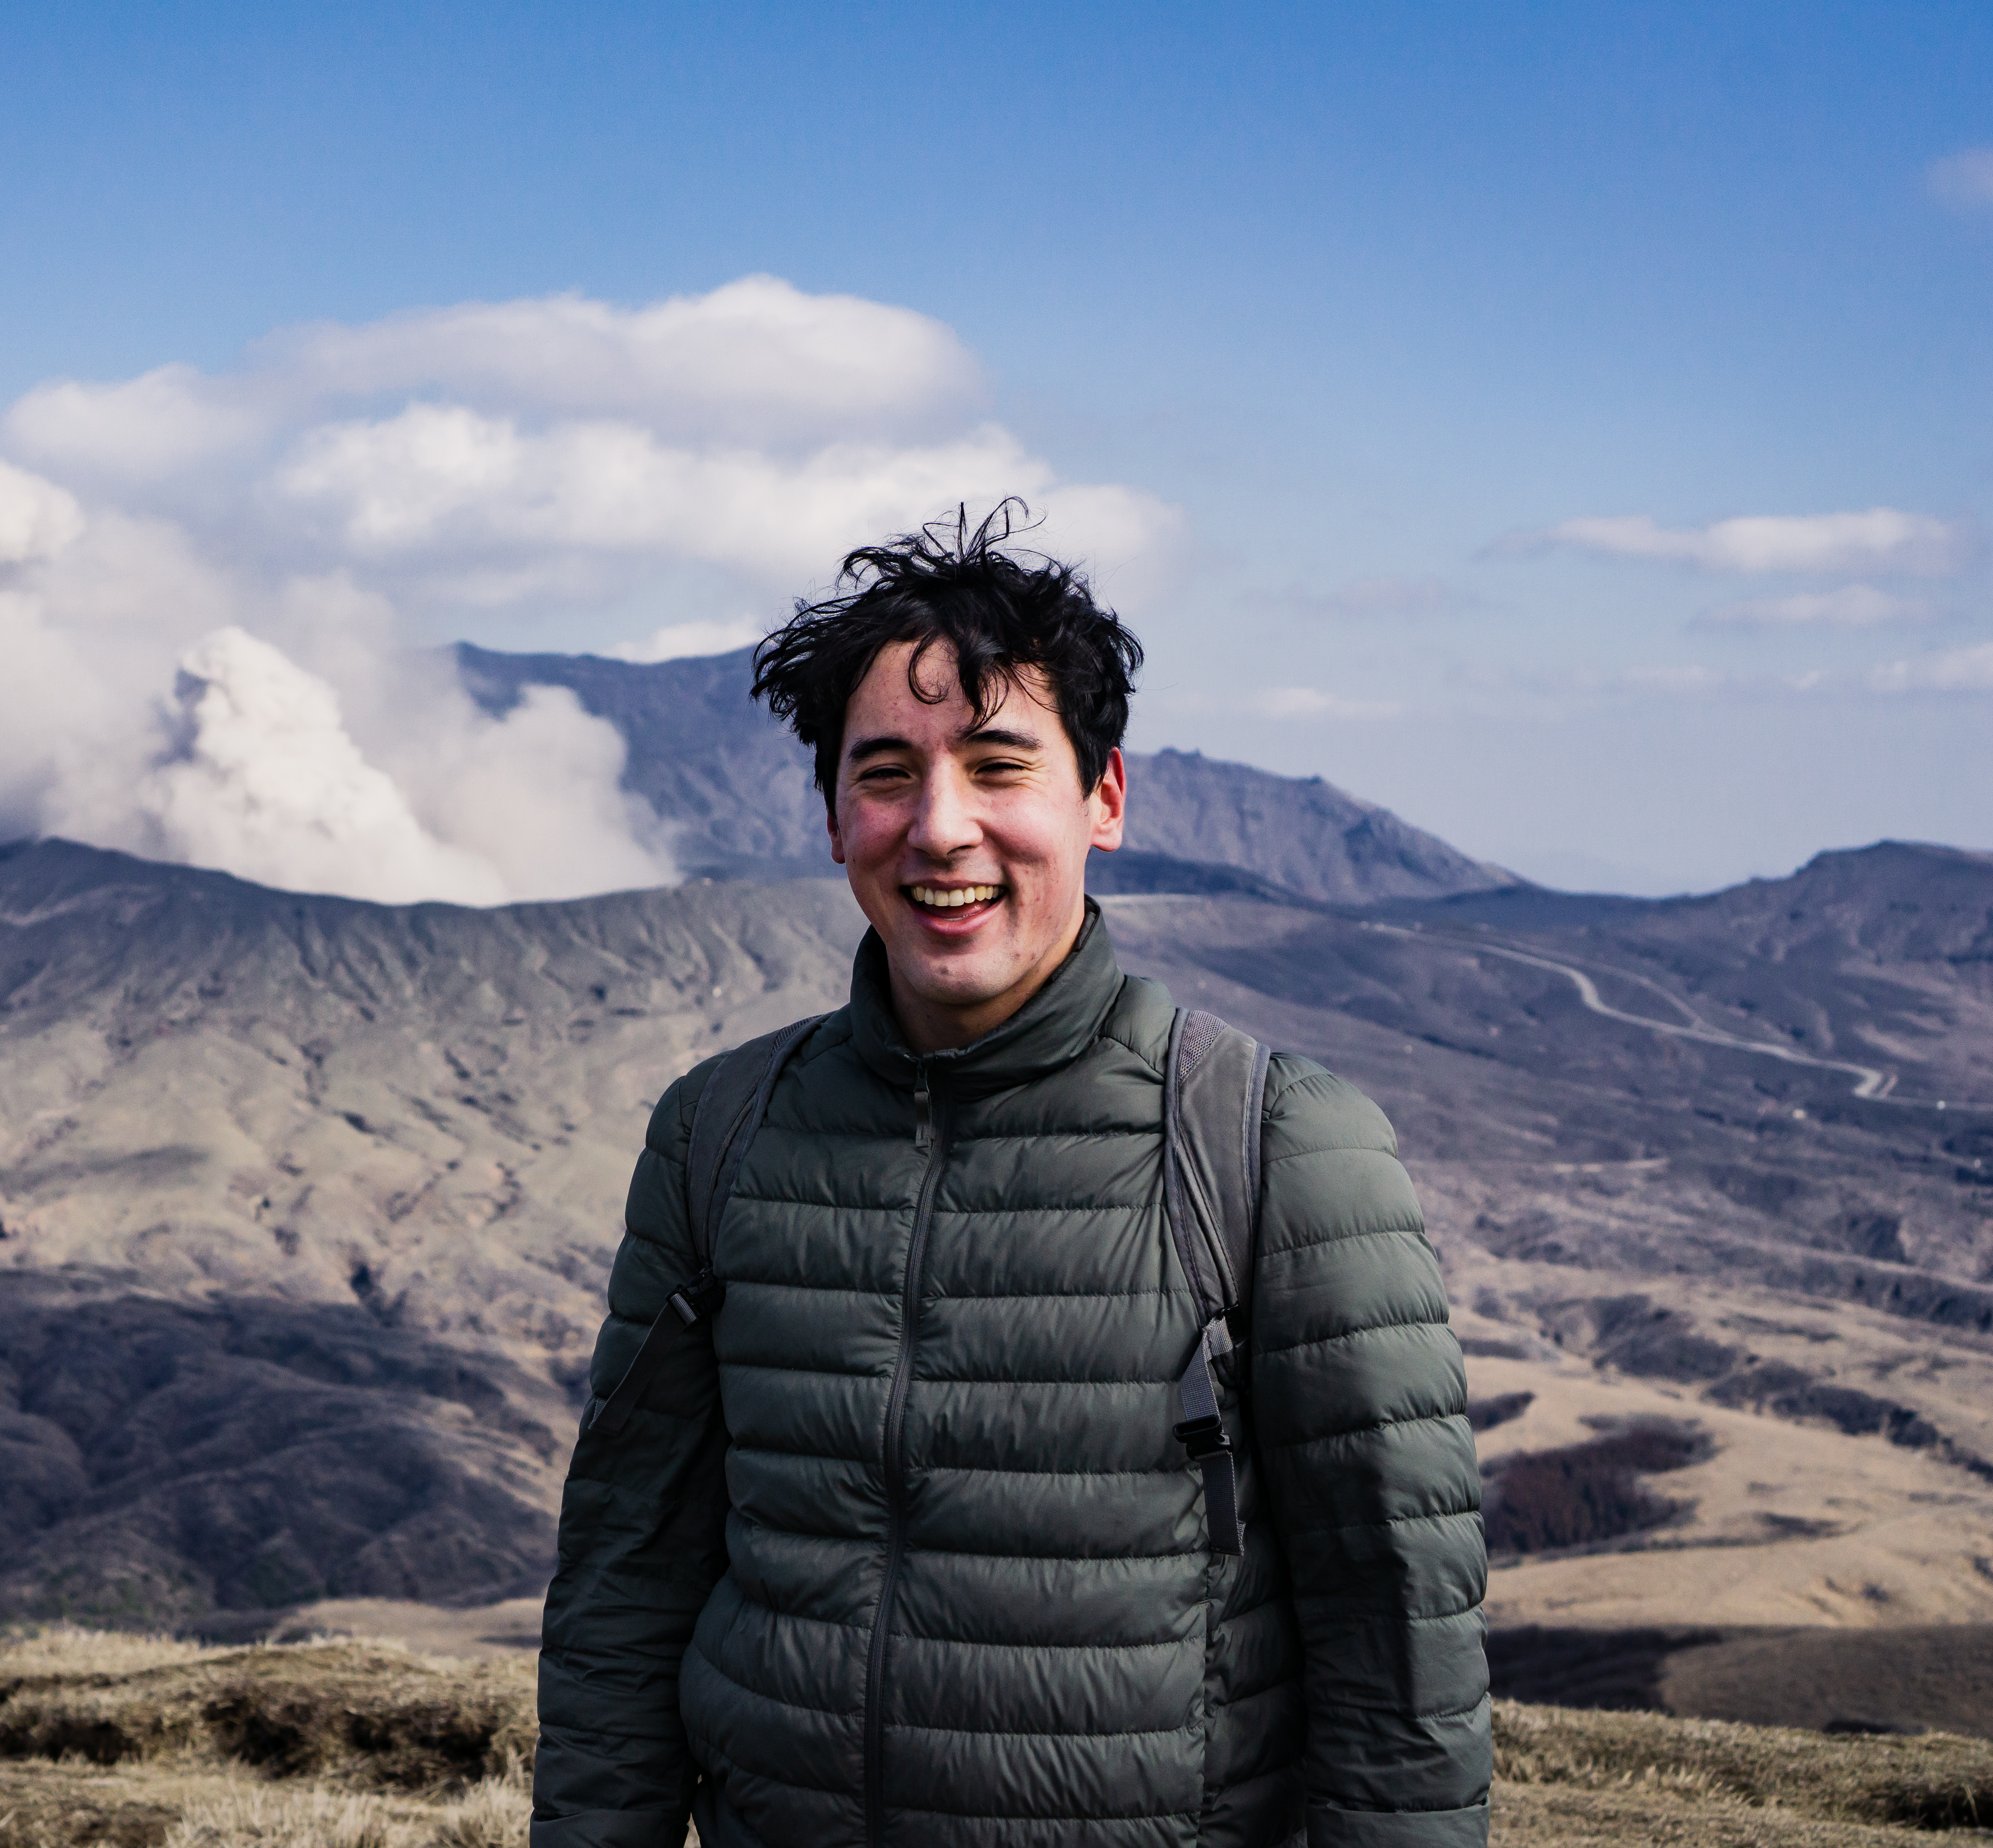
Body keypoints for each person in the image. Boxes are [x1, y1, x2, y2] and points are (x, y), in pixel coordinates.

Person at [532, 506, 1489, 1848]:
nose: (940, 829)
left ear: (1101, 799)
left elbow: (1402, 1668)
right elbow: (625, 1594)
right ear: (830, 818)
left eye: (998, 766)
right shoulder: (720, 1134)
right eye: (886, 775)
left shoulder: (1277, 1149)